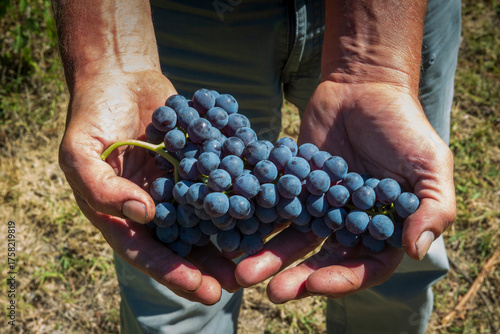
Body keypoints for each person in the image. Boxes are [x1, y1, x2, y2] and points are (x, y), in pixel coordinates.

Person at [53, 0, 460, 332]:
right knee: (177, 281)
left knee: (397, 274)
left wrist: (376, 66)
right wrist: (113, 58)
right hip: (181, 17)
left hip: (392, 15)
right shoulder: (192, 159)